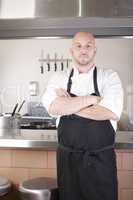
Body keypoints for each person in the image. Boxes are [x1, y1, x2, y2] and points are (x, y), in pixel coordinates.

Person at [42, 32, 123, 200]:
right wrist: (92, 100)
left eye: (88, 46)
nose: (83, 50)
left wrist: (69, 103)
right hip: (68, 163)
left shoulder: (109, 76)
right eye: (78, 46)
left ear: (95, 50)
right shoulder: (59, 78)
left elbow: (110, 112)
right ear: (72, 51)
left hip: (101, 163)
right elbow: (54, 106)